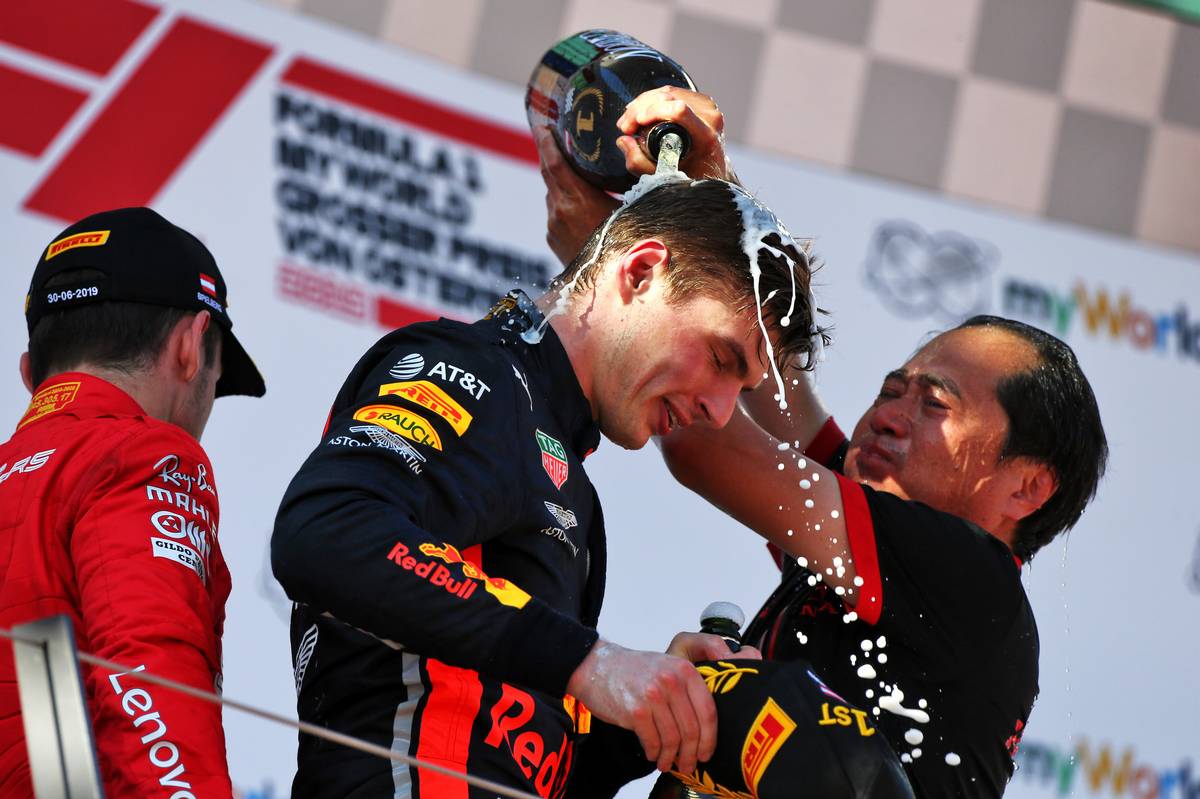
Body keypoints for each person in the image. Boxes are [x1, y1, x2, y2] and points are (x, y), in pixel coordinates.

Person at [537, 87, 1109, 797]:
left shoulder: (967, 575)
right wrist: (720, 205)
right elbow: (773, 382)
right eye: (892, 389)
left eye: (933, 404)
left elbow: (705, 435)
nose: (889, 415)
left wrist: (626, 270)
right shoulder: (881, 550)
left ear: (1025, 486)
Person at [270, 177, 823, 797]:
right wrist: (593, 663)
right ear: (640, 273)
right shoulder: (475, 372)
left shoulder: (574, 491)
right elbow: (326, 529)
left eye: (742, 390)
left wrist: (646, 719)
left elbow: (515, 763)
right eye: (722, 360)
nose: (720, 413)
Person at [0, 207, 266, 797]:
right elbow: (149, 670)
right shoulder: (141, 454)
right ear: (191, 348)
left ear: (30, 374)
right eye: (218, 377)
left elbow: (46, 708)